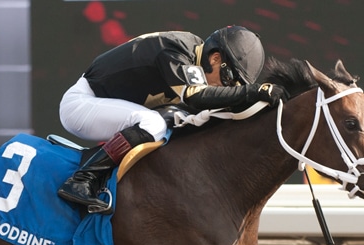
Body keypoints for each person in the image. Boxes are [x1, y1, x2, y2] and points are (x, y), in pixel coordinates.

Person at [57, 26, 287, 213]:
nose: (224, 87)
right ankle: (82, 179)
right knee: (153, 123)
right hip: (81, 104)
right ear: (215, 58)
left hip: (105, 104)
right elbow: (197, 97)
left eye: (233, 86)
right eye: (227, 79)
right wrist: (253, 91)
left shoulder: (192, 54)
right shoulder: (175, 50)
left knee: (176, 119)